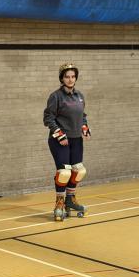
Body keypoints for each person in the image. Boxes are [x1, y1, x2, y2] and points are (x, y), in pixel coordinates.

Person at [43, 62, 91, 221]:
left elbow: (82, 115)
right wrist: (59, 133)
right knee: (64, 173)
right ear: (62, 79)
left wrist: (84, 126)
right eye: (67, 77)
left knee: (78, 171)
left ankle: (70, 199)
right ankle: (59, 202)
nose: (70, 79)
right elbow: (48, 118)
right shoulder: (56, 96)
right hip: (60, 141)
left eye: (73, 76)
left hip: (76, 140)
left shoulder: (80, 96)